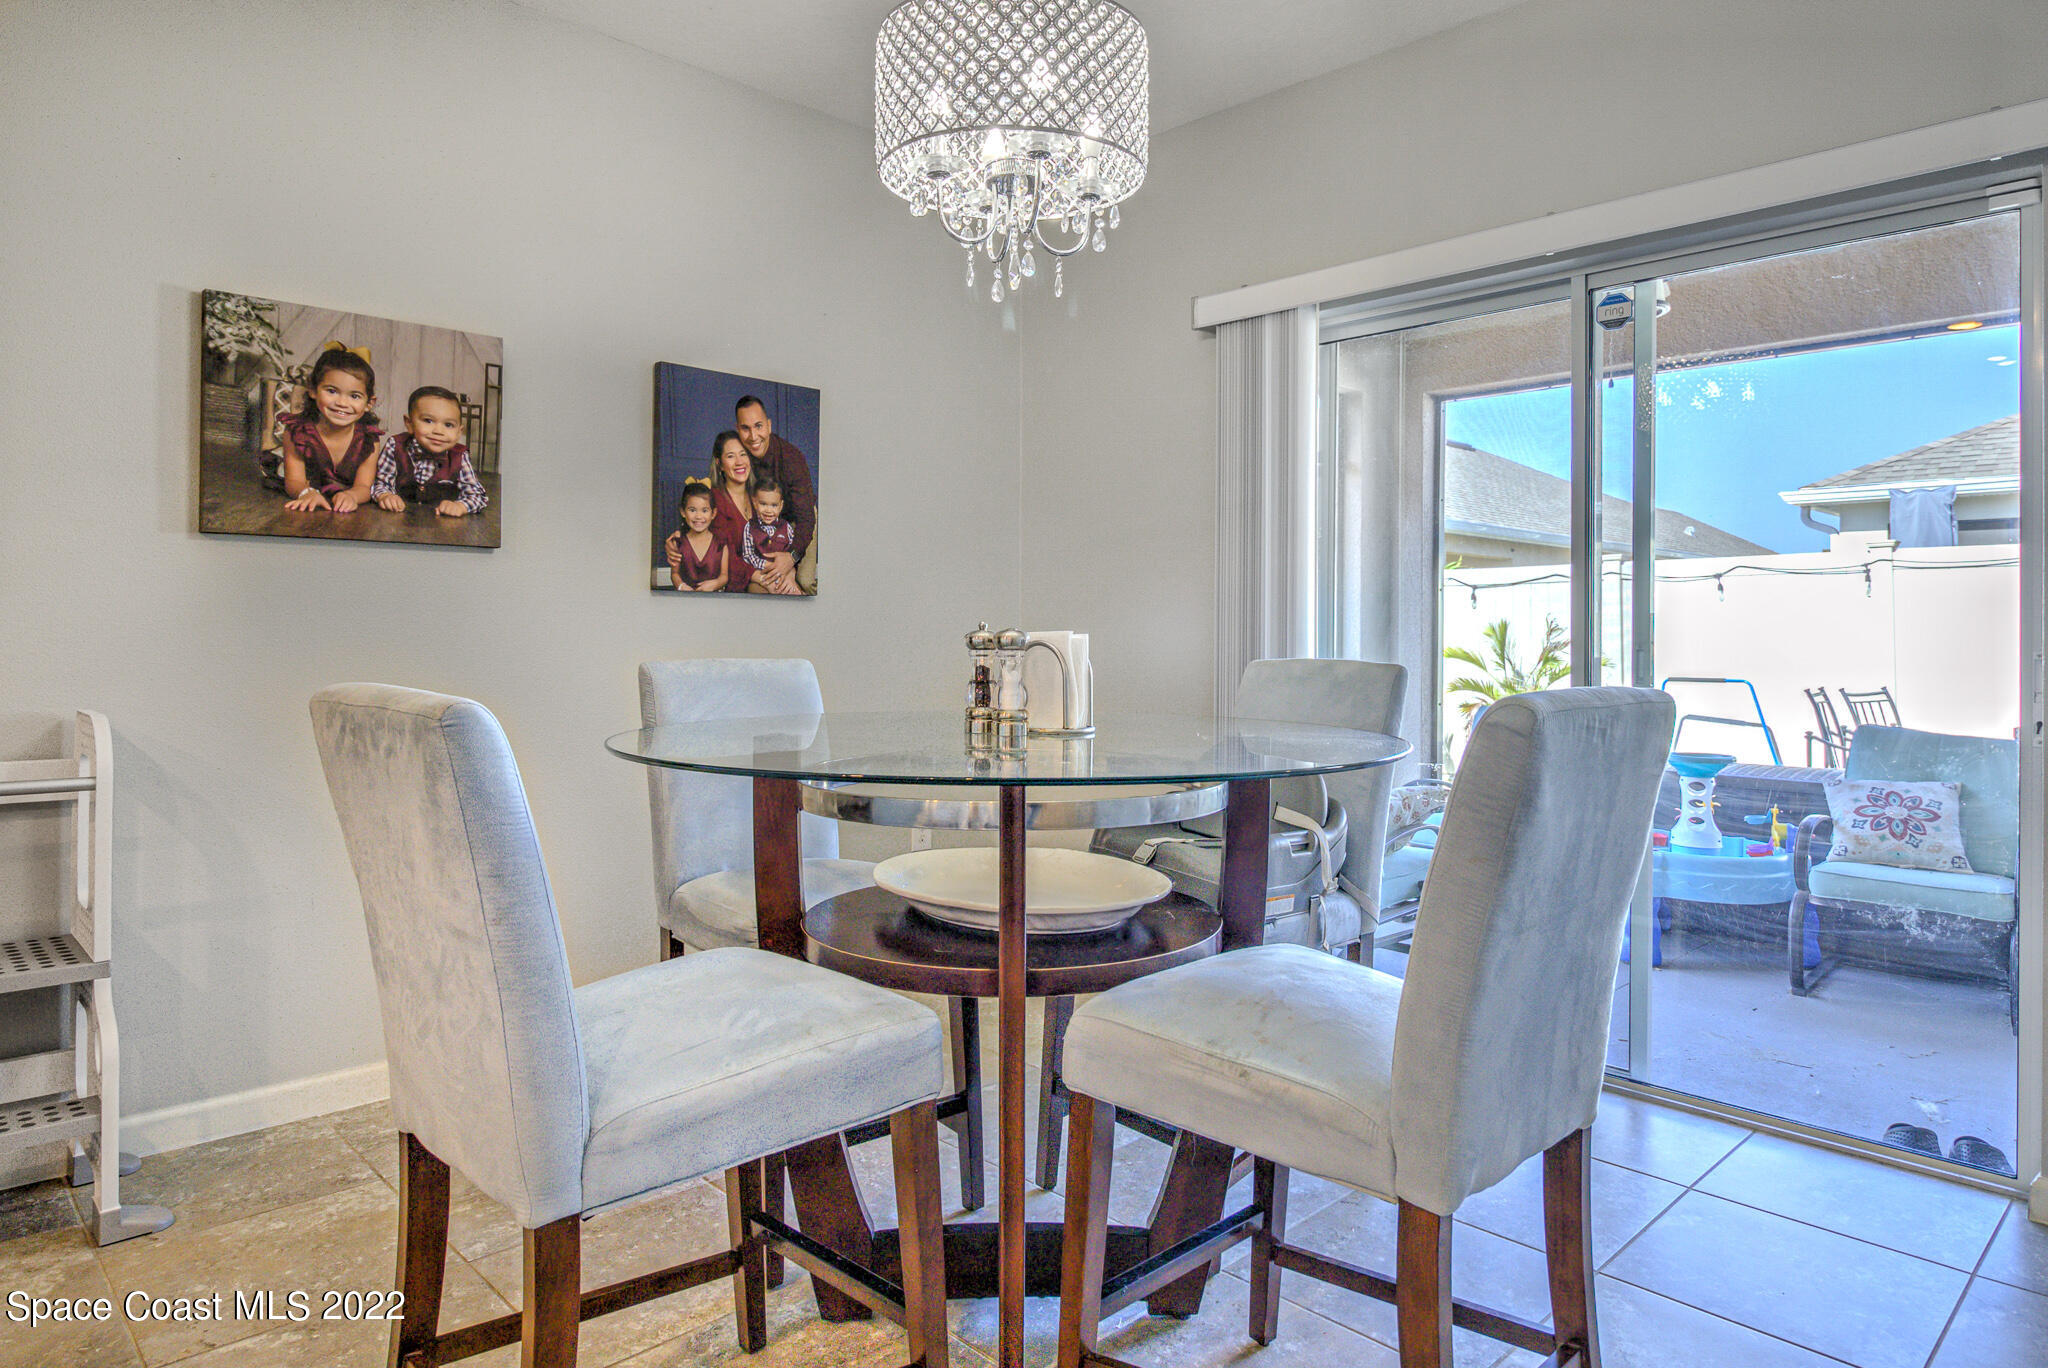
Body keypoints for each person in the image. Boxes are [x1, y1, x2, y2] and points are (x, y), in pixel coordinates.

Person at [279, 347, 383, 512]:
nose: (342, 403)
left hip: (346, 512)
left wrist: (352, 496)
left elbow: (363, 486)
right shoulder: (296, 432)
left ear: (369, 403)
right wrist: (306, 493)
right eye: (332, 391)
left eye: (354, 396)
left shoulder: (369, 439)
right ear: (313, 390)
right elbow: (294, 481)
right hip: (308, 506)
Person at [733, 395, 816, 593]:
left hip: (796, 520)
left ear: (769, 426)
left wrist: (791, 558)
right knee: (763, 583)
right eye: (745, 428)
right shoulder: (736, 455)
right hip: (758, 524)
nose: (753, 436)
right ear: (738, 430)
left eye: (758, 426)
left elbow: (806, 517)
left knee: (804, 581)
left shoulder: (792, 458)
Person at [370, 386, 489, 517]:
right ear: (409, 423)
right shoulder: (395, 446)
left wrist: (461, 506)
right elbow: (381, 483)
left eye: (448, 425)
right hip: (400, 518)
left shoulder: (460, 456)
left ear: (458, 432)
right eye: (428, 421)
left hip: (442, 523)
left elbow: (477, 495)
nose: (438, 431)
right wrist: (385, 496)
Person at [706, 430, 757, 592]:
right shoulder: (715, 500)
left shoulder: (759, 496)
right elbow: (727, 558)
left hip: (764, 572)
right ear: (719, 464)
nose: (739, 462)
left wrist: (786, 572)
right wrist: (761, 577)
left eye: (743, 454)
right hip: (737, 582)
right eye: (730, 456)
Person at [739, 474, 803, 595]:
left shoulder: (786, 527)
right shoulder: (750, 527)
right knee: (756, 593)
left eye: (774, 505)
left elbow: (792, 553)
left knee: (794, 593)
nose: (768, 510)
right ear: (755, 503)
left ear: (781, 506)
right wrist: (769, 566)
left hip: (784, 573)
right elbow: (748, 555)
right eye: (763, 504)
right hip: (761, 575)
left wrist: (789, 571)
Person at [663, 481, 730, 591]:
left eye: (704, 510)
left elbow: (724, 576)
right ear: (683, 512)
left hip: (714, 598)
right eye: (692, 510)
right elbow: (674, 574)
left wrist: (715, 584)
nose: (698, 516)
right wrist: (681, 586)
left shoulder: (721, 544)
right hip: (685, 598)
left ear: (713, 513)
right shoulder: (678, 542)